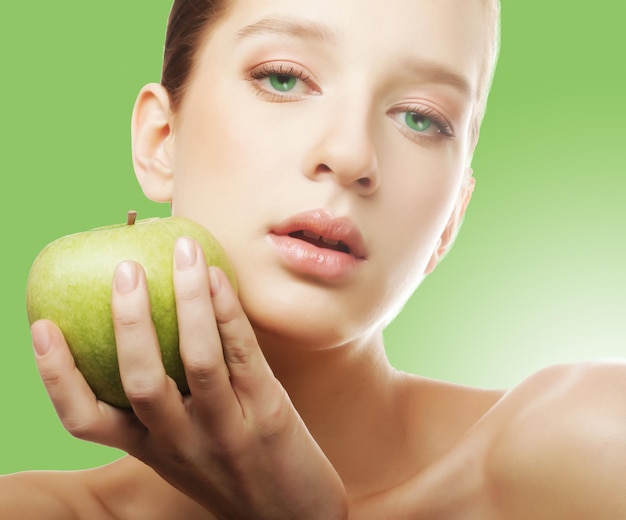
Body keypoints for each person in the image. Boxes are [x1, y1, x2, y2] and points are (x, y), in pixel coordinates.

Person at [2, 0, 626, 518]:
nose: (351, 154)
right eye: (283, 77)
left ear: (452, 219)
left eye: (420, 117)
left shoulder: (593, 446)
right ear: (162, 141)